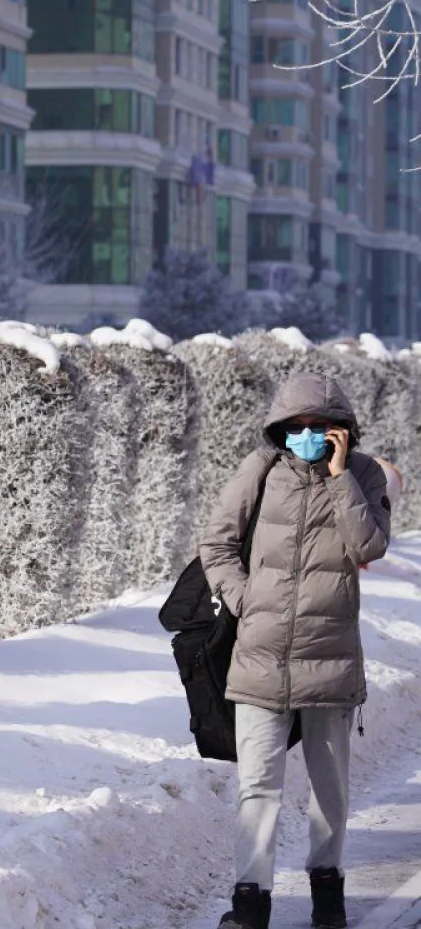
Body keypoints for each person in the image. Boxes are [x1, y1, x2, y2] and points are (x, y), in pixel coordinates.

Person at [201, 372, 391, 929]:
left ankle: (327, 892)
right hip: (260, 659)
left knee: (329, 790)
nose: (307, 434)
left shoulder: (363, 473)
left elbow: (369, 546)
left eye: (321, 426)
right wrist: (246, 599)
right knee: (257, 786)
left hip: (330, 661)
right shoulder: (259, 471)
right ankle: (250, 900)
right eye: (296, 426)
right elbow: (215, 543)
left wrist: (338, 479)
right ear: (279, 429)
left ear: (343, 432)